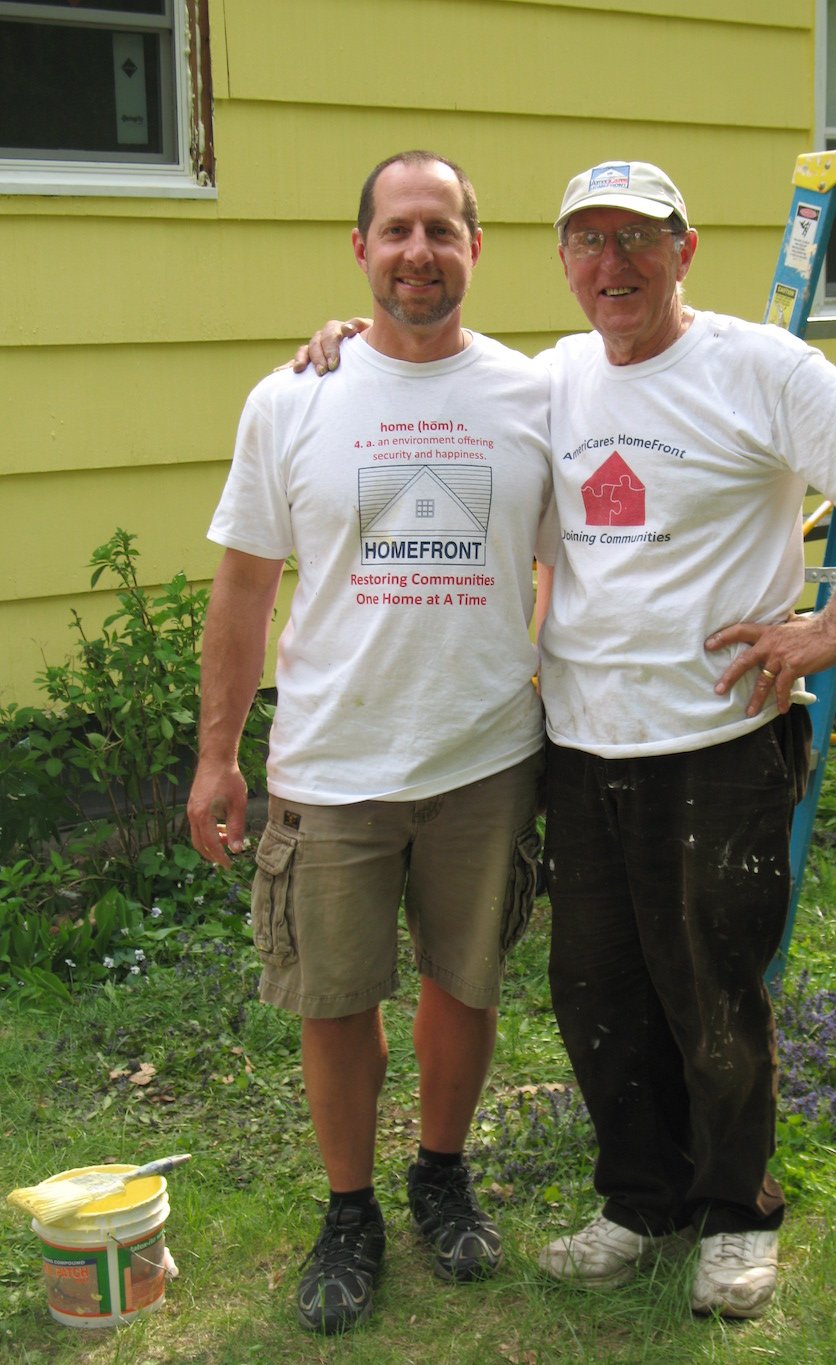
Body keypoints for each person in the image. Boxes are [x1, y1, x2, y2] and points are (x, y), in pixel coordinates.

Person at [297, 158, 836, 1321]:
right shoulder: (549, 381)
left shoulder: (756, 366)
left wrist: (832, 625)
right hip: (582, 747)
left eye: (638, 239)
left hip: (717, 744)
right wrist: (351, 340)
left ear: (682, 251)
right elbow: (435, 371)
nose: (615, 264)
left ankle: (736, 1216)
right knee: (596, 991)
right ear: (561, 261)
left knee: (713, 994)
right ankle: (639, 1204)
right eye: (589, 242)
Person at [187, 150, 554, 1336]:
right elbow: (244, 590)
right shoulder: (292, 399)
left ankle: (440, 1174)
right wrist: (216, 755)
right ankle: (349, 1211)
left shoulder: (535, 395)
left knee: (464, 979)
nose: (418, 252)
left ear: (475, 248)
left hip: (484, 755)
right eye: (396, 230)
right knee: (335, 997)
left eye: (441, 229)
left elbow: (569, 559)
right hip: (332, 759)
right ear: (360, 249)